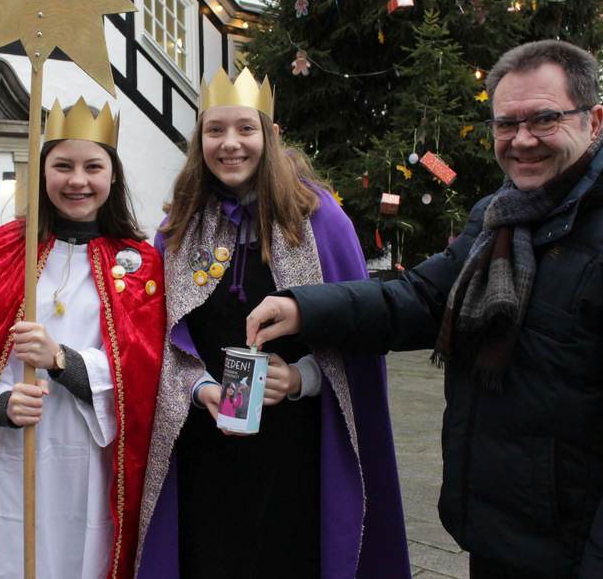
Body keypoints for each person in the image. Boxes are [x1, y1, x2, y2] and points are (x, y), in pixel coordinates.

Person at [246, 40, 603, 578]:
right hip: (499, 535)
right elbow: (421, 299)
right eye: (506, 124)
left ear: (593, 119)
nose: (522, 140)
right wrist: (304, 308)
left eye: (544, 119)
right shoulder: (502, 217)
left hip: (583, 551)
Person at [136, 68, 410, 578]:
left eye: (245, 129)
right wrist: (197, 388)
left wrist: (303, 377)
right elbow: (157, 340)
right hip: (207, 445)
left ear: (270, 134)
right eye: (215, 131)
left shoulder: (318, 217)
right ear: (200, 141)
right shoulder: (179, 227)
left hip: (298, 448)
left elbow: (357, 329)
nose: (230, 144)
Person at [0, 99, 165, 579]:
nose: (77, 181)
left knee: (85, 551)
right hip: (16, 452)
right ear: (42, 171)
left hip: (95, 456)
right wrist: (1, 405)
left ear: (113, 176)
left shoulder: (139, 263)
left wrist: (62, 360)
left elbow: (145, 371)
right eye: (62, 165)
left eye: (93, 166)